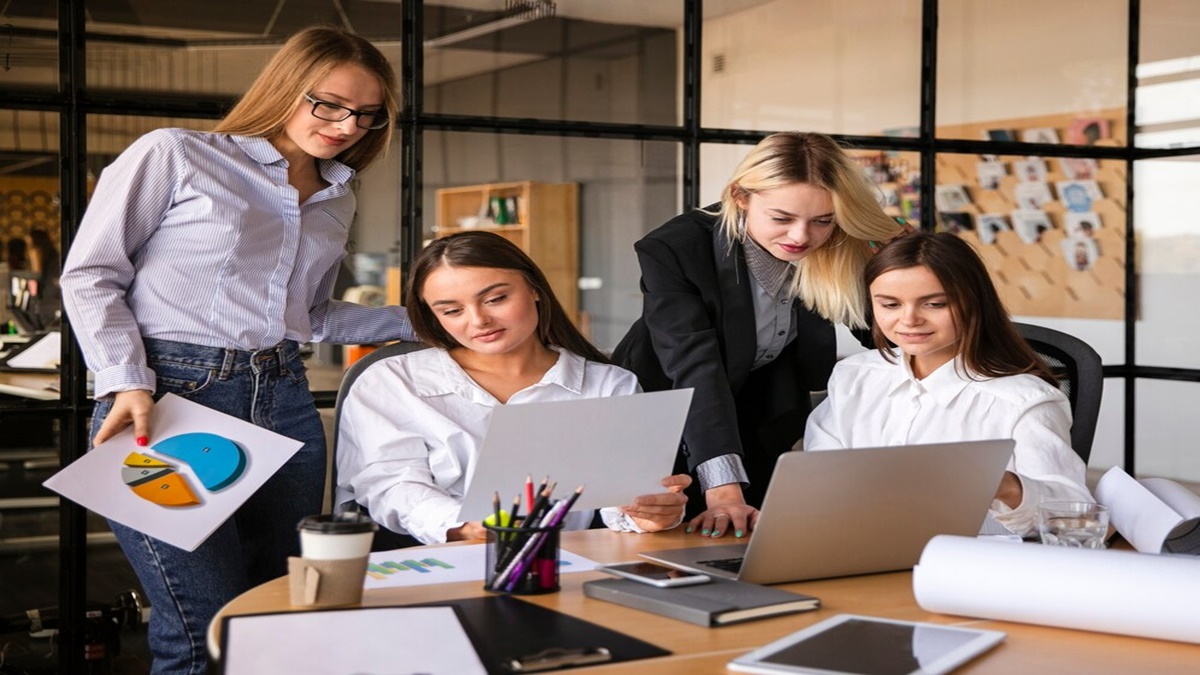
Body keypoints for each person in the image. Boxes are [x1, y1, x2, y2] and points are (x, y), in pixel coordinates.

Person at [59, 26, 412, 675]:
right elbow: (91, 274)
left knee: (273, 612)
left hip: (285, 402)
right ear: (286, 87)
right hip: (169, 400)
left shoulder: (337, 196)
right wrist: (127, 380)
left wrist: (432, 320)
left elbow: (309, 315)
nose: (345, 126)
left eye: (365, 115)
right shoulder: (177, 154)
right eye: (328, 104)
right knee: (202, 623)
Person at [613, 132, 906, 540]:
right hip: (662, 407)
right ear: (741, 197)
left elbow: (886, 333)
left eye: (822, 220)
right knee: (663, 532)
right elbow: (696, 366)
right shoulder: (677, 249)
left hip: (758, 413)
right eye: (782, 218)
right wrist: (722, 488)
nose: (801, 237)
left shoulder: (837, 244)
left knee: (754, 539)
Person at [336, 231, 690, 544]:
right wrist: (463, 525)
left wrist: (649, 512)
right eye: (451, 310)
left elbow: (621, 501)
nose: (478, 321)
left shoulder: (608, 384)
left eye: (495, 299)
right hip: (441, 561)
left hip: (566, 566)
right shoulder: (392, 381)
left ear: (534, 289)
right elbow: (391, 483)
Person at [803, 233, 1092, 536]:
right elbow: (820, 475)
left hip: (969, 562)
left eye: (934, 304)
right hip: (859, 545)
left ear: (973, 303)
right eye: (890, 304)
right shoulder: (854, 376)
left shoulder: (1022, 400)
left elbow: (1073, 515)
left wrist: (1004, 485)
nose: (909, 319)